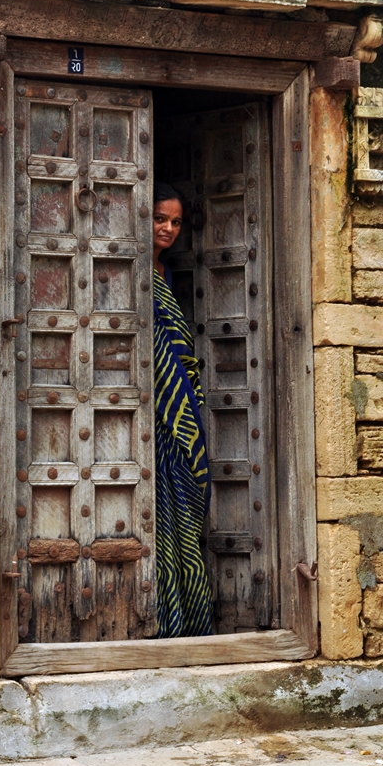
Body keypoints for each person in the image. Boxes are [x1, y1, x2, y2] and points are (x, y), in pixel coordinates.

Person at [152, 181, 213, 637]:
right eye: (159, 218)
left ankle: (186, 618)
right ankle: (158, 617)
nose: (169, 228)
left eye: (175, 221)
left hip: (178, 412)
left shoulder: (166, 275)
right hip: (153, 419)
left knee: (183, 521)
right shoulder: (133, 272)